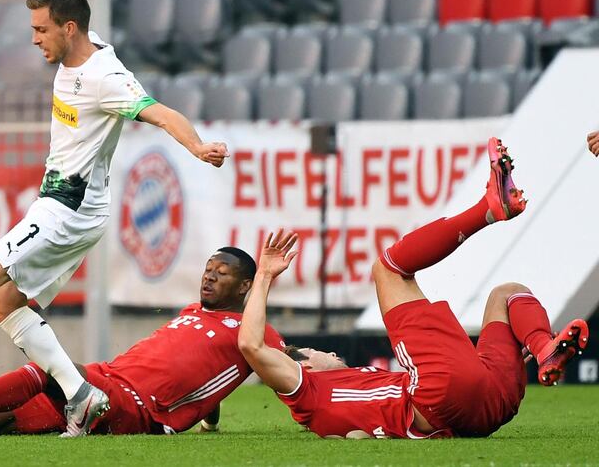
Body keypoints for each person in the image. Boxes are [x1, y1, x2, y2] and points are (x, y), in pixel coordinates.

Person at [0, 0, 229, 438]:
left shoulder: (107, 77)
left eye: (41, 31)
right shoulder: (83, 41)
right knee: (7, 302)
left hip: (69, 207)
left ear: (68, 29)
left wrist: (199, 147)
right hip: (68, 205)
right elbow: (54, 6)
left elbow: (161, 113)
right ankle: (82, 397)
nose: (35, 40)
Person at [238, 138, 590, 439]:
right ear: (306, 368)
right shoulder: (303, 390)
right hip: (440, 396)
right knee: (388, 270)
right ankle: (489, 208)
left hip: (485, 411)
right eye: (315, 352)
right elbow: (250, 345)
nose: (327, 353)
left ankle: (543, 347)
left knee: (506, 293)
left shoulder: (348, 392)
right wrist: (265, 275)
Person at [0, 246, 285, 438]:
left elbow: (285, 369)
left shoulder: (255, 332)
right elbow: (204, 375)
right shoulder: (191, 311)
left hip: (134, 406)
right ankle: (76, 415)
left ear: (246, 285)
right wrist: (209, 420)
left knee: (44, 370)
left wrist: (326, 368)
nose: (209, 278)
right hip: (105, 378)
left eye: (222, 274)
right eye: (207, 269)